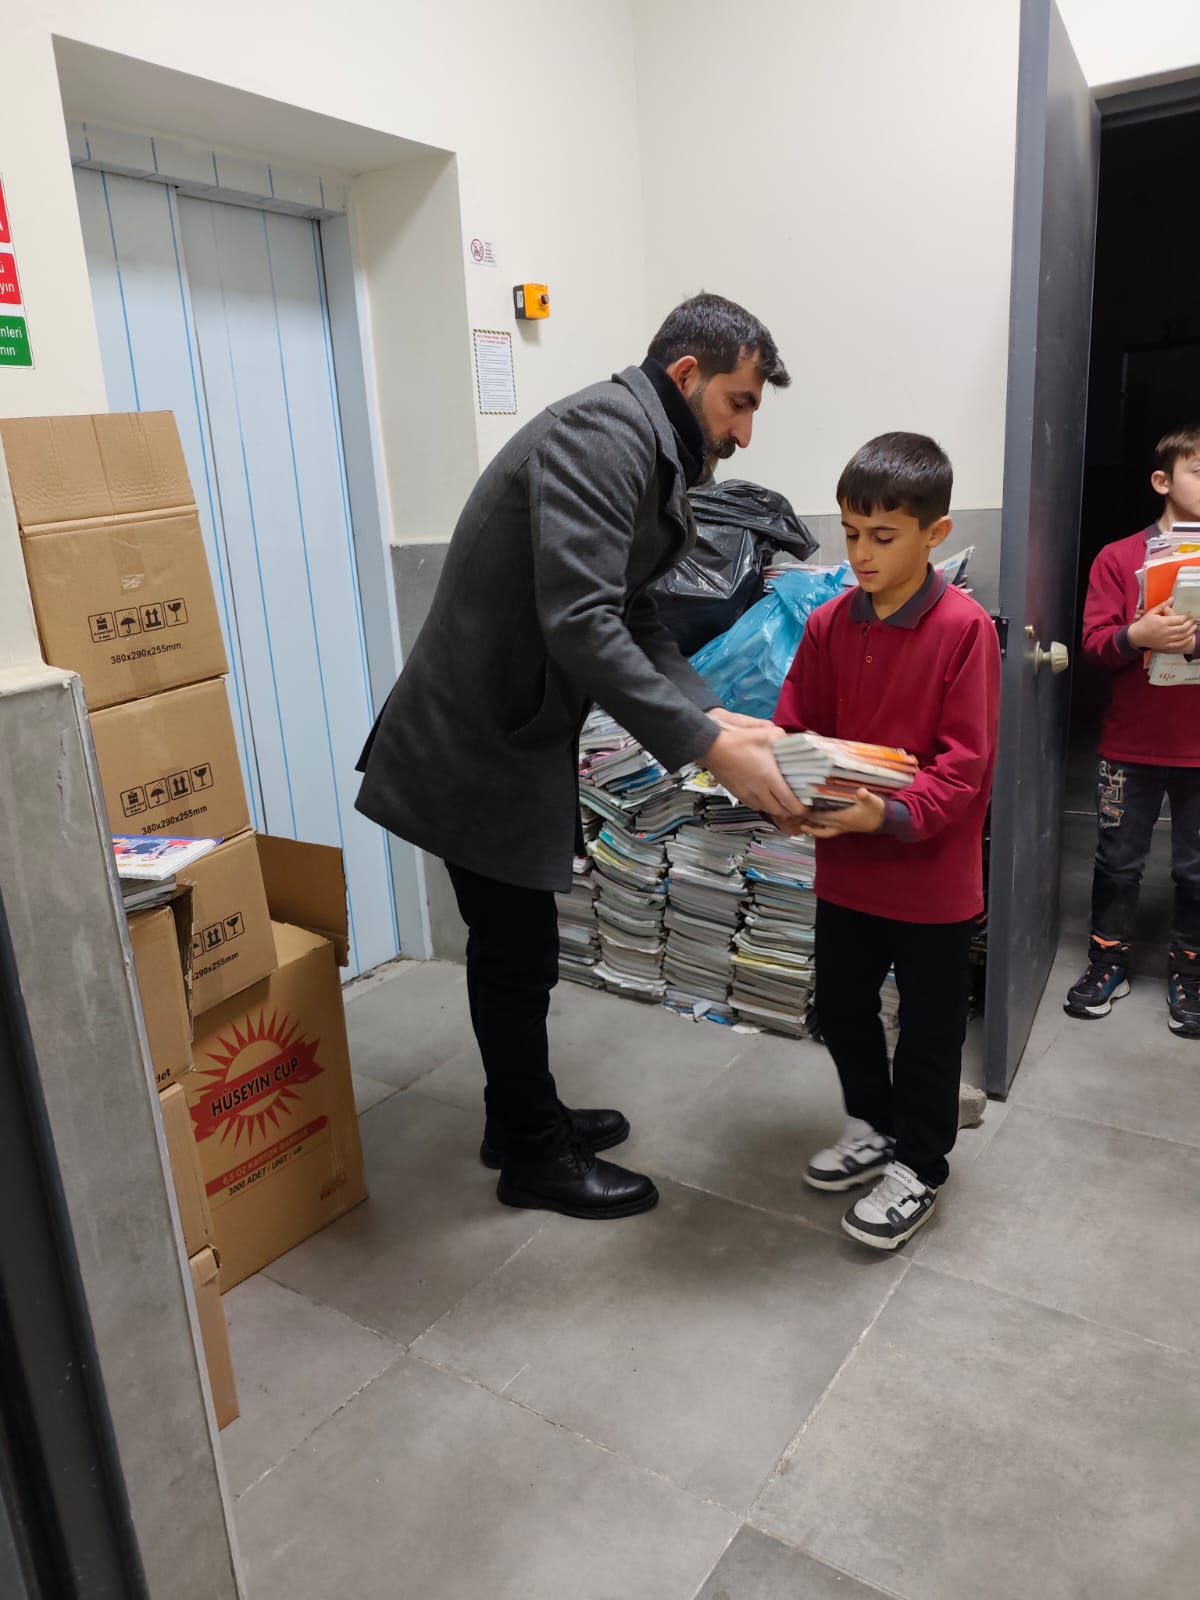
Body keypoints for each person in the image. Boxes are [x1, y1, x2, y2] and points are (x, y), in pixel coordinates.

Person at [356, 293, 803, 1219]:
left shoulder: (645, 441)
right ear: (687, 374)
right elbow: (581, 622)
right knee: (515, 951)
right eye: (739, 403)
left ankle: (517, 1116)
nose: (744, 432)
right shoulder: (605, 433)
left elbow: (632, 609)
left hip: (508, 733)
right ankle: (531, 1153)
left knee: (515, 948)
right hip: (473, 742)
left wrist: (712, 710)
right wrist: (708, 749)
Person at [772, 433, 1001, 1250]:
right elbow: (793, 725)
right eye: (849, 533)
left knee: (931, 1029)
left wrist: (889, 816)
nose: (861, 554)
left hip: (931, 878)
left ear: (935, 534)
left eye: (882, 535)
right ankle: (873, 1124)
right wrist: (785, 789)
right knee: (840, 1004)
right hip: (847, 870)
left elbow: (965, 768)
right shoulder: (829, 624)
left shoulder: (965, 630)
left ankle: (921, 1165)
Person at [1065, 424, 1200, 1036]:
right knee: (1118, 860)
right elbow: (1094, 644)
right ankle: (1108, 960)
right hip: (1130, 743)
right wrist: (1136, 635)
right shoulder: (1119, 558)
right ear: (1162, 481)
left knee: (1196, 867)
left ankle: (1189, 970)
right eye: (1197, 470)